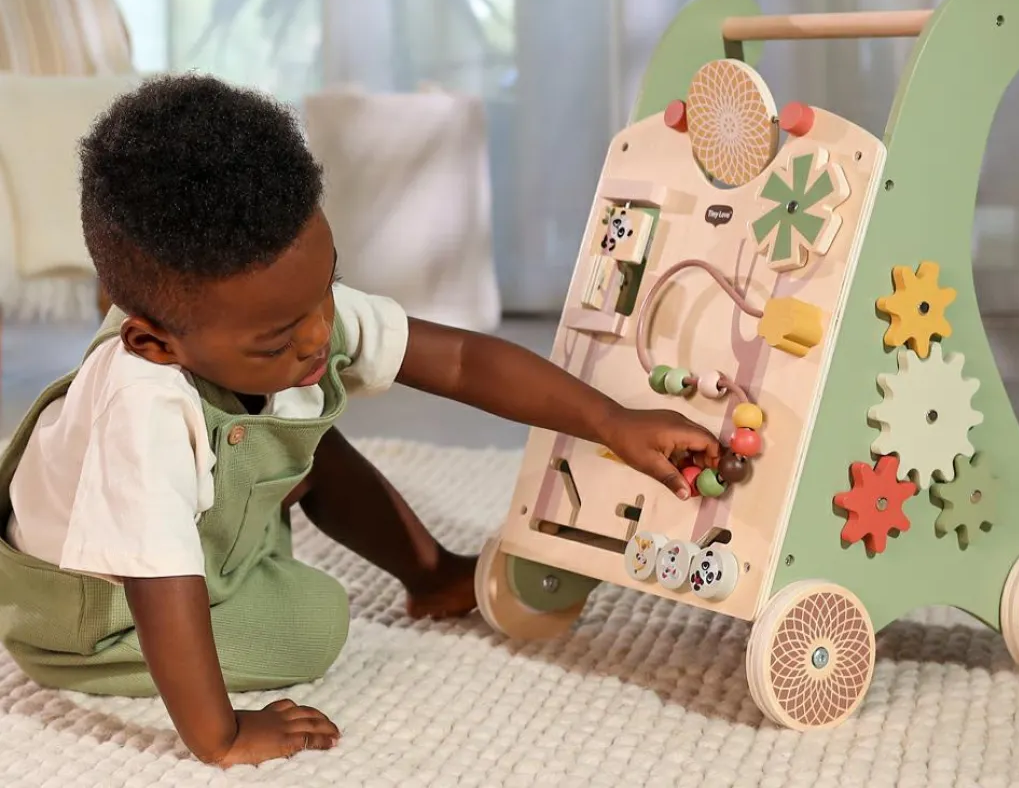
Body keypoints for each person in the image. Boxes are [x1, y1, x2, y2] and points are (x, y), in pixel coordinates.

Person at [0, 74, 718, 768]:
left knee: (305, 426)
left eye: (328, 287)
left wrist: (612, 421)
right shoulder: (141, 410)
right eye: (277, 341)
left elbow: (461, 361)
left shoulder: (277, 309)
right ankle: (114, 647)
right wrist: (220, 736)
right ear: (155, 343)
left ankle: (432, 575)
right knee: (316, 621)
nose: (319, 335)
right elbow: (161, 584)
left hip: (191, 535)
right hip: (99, 608)